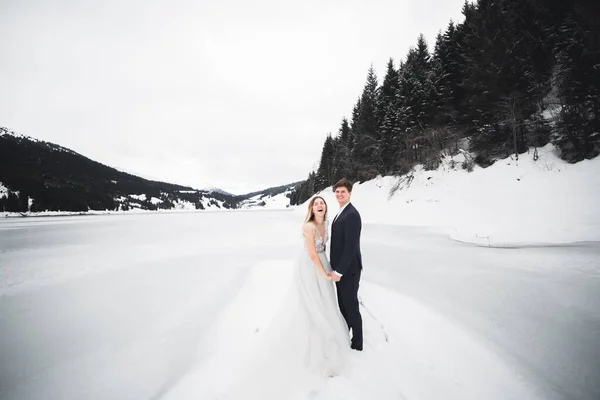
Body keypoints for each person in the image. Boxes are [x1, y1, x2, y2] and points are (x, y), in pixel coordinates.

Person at [328, 178, 364, 351]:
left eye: (343, 191)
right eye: (337, 192)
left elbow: (350, 247)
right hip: (340, 270)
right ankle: (345, 336)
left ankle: (357, 344)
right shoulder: (342, 212)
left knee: (351, 306)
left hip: (348, 271)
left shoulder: (352, 215)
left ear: (350, 193)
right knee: (343, 306)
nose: (340, 194)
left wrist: (340, 271)